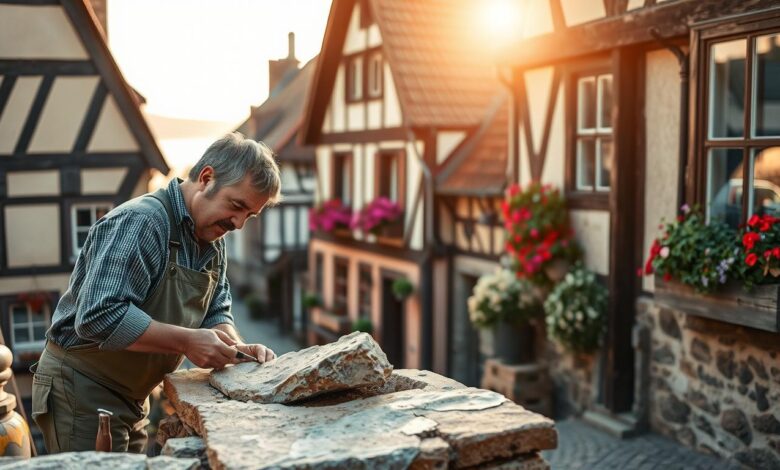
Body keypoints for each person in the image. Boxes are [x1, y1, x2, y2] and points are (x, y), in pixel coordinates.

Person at [31, 133, 281, 453]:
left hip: (135, 397)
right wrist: (187, 341)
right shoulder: (142, 222)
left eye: (250, 215)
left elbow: (216, 309)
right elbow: (98, 315)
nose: (239, 223)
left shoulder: (212, 239)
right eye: (237, 206)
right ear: (206, 178)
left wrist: (234, 346)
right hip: (82, 389)